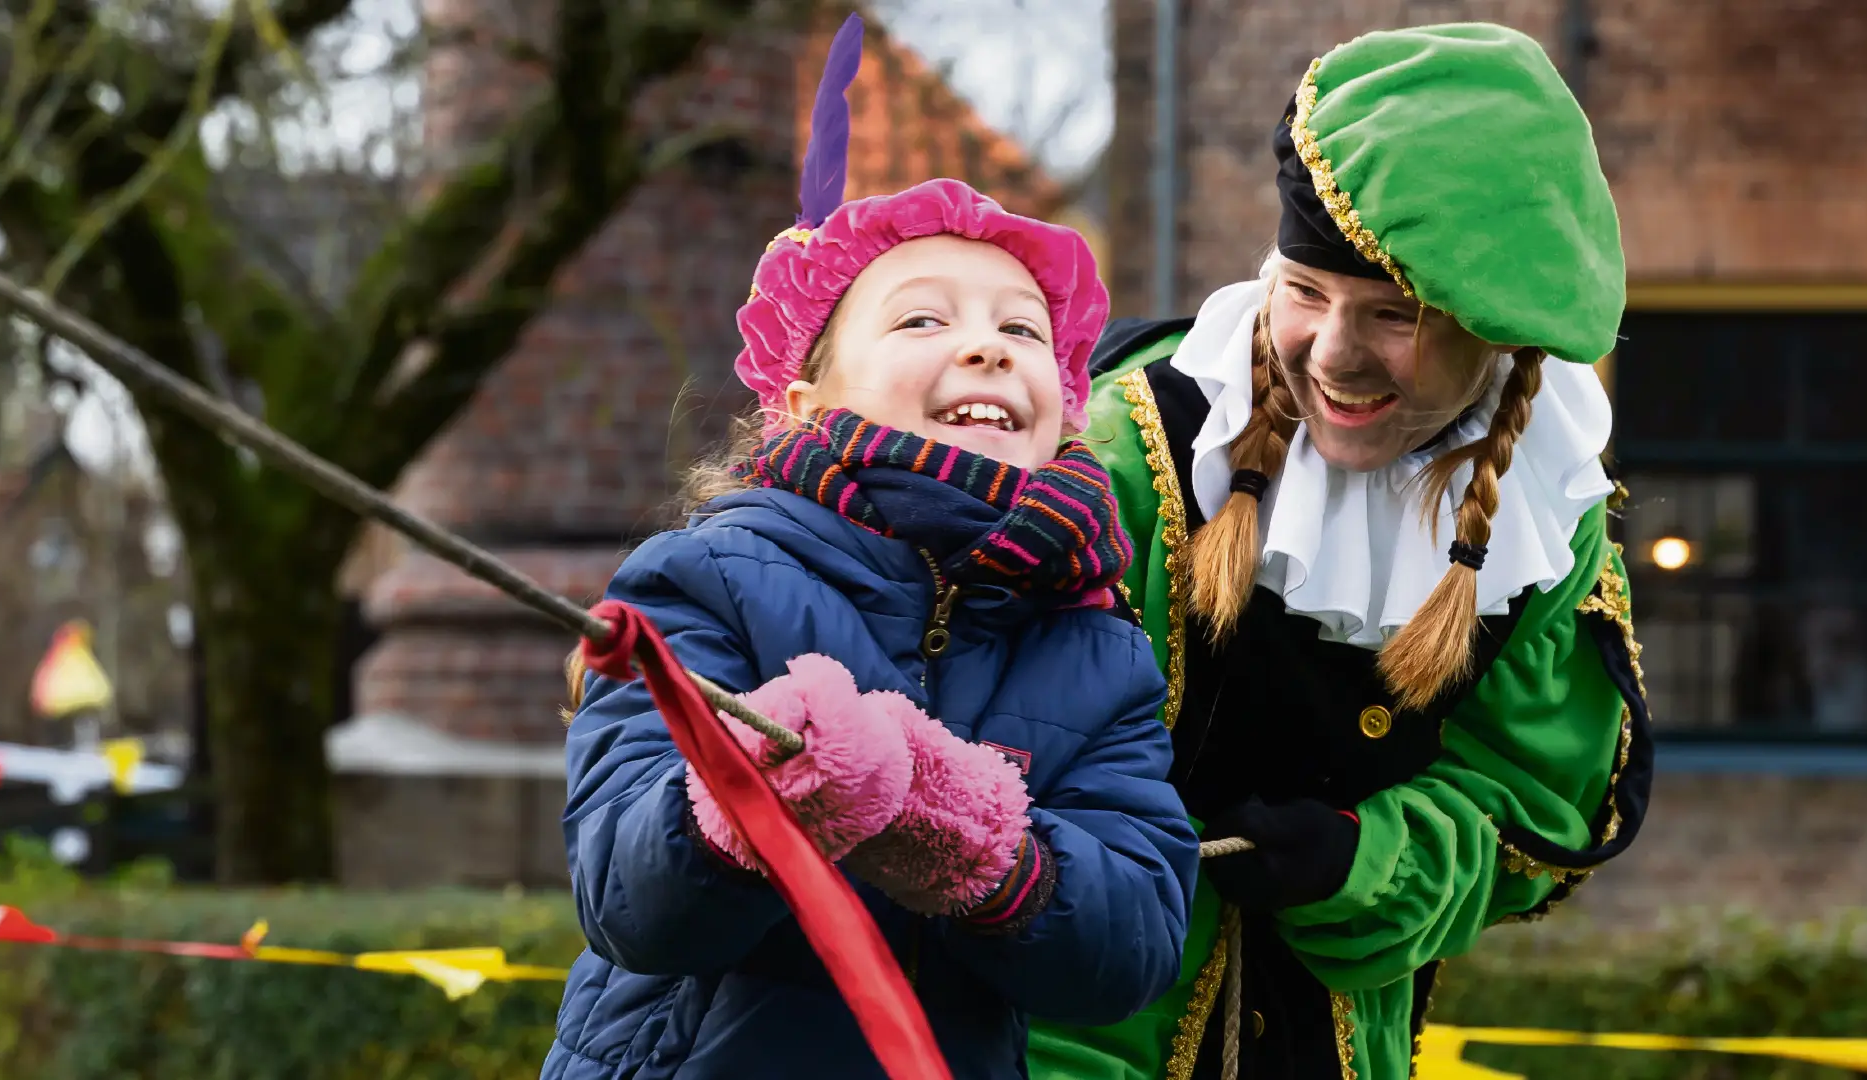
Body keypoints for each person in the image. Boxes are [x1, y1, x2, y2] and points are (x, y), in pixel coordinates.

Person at [542, 16, 1198, 1079]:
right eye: (921, 322)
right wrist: (756, 797)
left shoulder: (1099, 648)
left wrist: (981, 846)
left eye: (1022, 330)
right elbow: (628, 901)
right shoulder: (707, 578)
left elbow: (1134, 945)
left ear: (1066, 411)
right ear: (805, 404)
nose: (987, 346)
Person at [1026, 23, 1654, 1080]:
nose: (1333, 354)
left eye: (1393, 315)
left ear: (1500, 333)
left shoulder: (1546, 518)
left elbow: (1531, 808)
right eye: (1305, 294)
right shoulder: (1123, 459)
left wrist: (1363, 864)